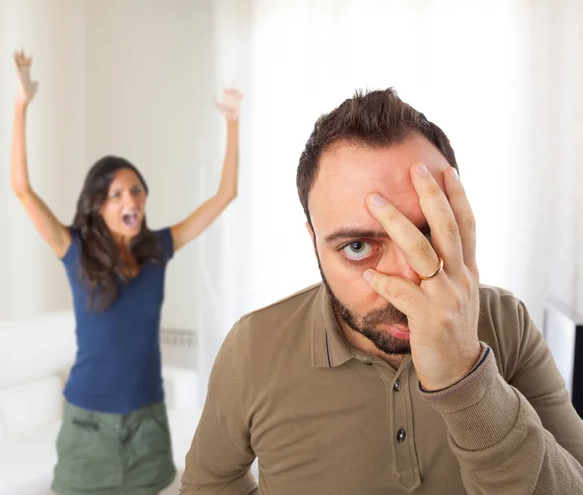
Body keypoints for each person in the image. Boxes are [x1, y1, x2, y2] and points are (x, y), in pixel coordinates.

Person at [180, 88, 583, 494]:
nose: (408, 282)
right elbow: (210, 482)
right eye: (357, 247)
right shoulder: (254, 346)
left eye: (425, 234)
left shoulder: (505, 320)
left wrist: (466, 378)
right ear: (314, 242)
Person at [10, 49, 242, 495]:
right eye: (116, 194)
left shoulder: (159, 249)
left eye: (135, 191)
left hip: (147, 427)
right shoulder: (73, 248)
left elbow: (224, 195)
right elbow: (21, 189)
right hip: (87, 430)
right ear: (98, 205)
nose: (129, 200)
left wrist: (232, 122)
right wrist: (21, 103)